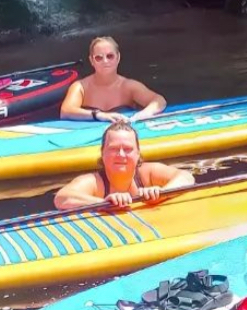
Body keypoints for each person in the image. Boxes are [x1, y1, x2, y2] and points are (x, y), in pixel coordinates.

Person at [54, 119, 195, 210]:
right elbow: (62, 198)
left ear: (138, 153)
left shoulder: (148, 173)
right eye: (114, 149)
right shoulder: (94, 182)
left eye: (128, 149)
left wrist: (162, 194)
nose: (121, 155)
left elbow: (187, 177)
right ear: (102, 153)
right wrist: (105, 203)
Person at [59, 36, 166, 123]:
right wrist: (98, 115)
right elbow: (66, 111)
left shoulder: (129, 86)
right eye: (99, 57)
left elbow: (159, 100)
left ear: (118, 58)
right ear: (91, 60)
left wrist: (145, 113)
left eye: (110, 56)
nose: (105, 61)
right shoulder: (80, 87)